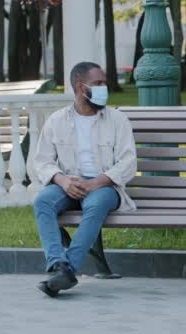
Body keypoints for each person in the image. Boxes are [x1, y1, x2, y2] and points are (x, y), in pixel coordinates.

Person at [33, 62, 137, 297]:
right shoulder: (56, 121)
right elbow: (42, 162)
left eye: (104, 82)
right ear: (81, 87)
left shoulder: (117, 120)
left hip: (104, 185)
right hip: (68, 183)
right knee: (43, 202)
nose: (104, 88)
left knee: (96, 204)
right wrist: (62, 180)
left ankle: (67, 268)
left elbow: (128, 162)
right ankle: (59, 267)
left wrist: (95, 183)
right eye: (98, 83)